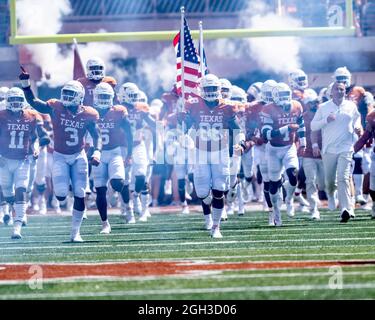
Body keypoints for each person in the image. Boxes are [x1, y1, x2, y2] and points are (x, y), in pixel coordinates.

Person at [19, 68, 101, 242]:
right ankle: (71, 188)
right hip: (60, 156)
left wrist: (97, 152)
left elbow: (96, 135)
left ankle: (75, 233)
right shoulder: (56, 107)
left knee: (79, 193)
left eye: (71, 94)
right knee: (61, 195)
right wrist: (26, 85)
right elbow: (33, 102)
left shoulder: (89, 113)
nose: (67, 97)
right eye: (66, 93)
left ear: (80, 96)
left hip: (78, 156)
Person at [179, 73, 246, 238]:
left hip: (221, 152)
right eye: (207, 88)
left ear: (219, 89)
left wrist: (241, 142)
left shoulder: (227, 107)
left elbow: (237, 128)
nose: (210, 91)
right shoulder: (193, 105)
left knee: (219, 190)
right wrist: (182, 134)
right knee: (202, 193)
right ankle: (208, 208)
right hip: (200, 152)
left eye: (213, 88)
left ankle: (216, 227)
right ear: (202, 89)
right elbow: (184, 126)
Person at [0, 87, 50, 239]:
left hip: (23, 160)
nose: (15, 103)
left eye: (18, 100)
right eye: (12, 100)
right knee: (8, 194)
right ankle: (8, 209)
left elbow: (38, 137)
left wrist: (35, 148)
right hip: (4, 160)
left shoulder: (31, 116)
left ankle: (17, 228)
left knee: (21, 191)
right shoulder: (1, 116)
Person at [311, 82, 362, 222]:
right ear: (331, 92)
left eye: (342, 89)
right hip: (328, 150)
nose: (340, 91)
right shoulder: (323, 107)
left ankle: (346, 209)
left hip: (346, 148)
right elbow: (313, 126)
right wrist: (326, 120)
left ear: (345, 92)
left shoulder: (351, 106)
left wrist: (357, 127)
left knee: (343, 178)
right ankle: (331, 195)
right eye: (337, 89)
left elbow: (357, 119)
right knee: (330, 181)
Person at [261, 82, 306, 226]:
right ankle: (276, 212)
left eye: (287, 94)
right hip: (273, 149)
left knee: (293, 176)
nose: (285, 98)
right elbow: (266, 134)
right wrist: (286, 128)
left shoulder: (297, 106)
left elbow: (301, 124)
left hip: (289, 147)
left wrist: (303, 143)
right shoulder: (268, 109)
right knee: (274, 183)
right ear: (274, 96)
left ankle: (289, 199)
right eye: (281, 95)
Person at [91, 82, 133, 233]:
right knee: (100, 190)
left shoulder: (118, 111)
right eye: (100, 96)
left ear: (111, 98)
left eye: (105, 96)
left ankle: (127, 206)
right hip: (98, 154)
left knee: (118, 183)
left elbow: (129, 133)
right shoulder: (90, 112)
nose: (102, 99)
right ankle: (105, 223)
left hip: (115, 152)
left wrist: (129, 154)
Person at [117, 82, 156, 222]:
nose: (134, 98)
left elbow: (155, 125)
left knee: (141, 175)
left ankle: (137, 198)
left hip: (138, 146)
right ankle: (127, 209)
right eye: (131, 95)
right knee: (124, 180)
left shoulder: (141, 109)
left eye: (135, 95)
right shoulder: (118, 109)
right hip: (122, 147)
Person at [301, 89, 326, 220]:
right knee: (310, 181)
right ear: (307, 104)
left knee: (323, 184)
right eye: (311, 102)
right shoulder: (303, 117)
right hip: (308, 154)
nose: (315, 105)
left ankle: (330, 199)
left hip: (323, 153)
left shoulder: (324, 113)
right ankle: (314, 209)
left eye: (316, 102)